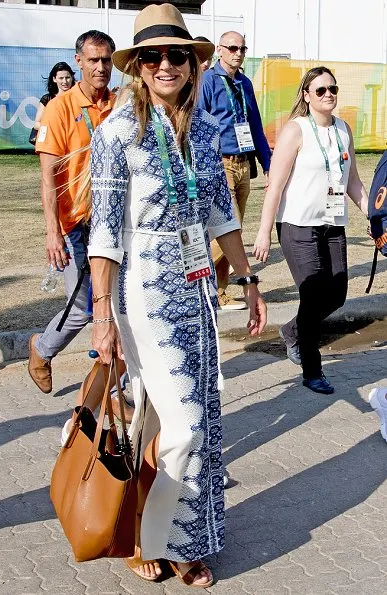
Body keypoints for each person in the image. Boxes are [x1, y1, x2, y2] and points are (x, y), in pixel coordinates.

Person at [87, 3, 267, 587]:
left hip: (196, 291)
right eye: (153, 56)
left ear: (193, 64)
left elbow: (220, 214)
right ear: (137, 67)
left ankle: (172, 536)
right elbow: (106, 231)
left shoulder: (205, 130)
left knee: (181, 415)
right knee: (185, 423)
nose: (166, 65)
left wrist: (247, 279)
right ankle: (159, 538)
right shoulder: (118, 131)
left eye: (178, 55)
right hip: (142, 294)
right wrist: (101, 316)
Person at [253, 66, 368, 394]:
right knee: (314, 292)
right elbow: (274, 185)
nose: (328, 94)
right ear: (306, 95)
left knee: (338, 293)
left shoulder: (344, 129)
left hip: (332, 225)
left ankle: (293, 331)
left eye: (333, 88)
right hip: (297, 224)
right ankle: (311, 368)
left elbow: (354, 183)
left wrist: (376, 217)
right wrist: (263, 232)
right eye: (320, 90)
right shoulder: (296, 130)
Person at [28, 30, 116, 394]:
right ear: (78, 61)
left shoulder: (119, 103)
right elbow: (48, 178)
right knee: (83, 306)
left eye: (107, 60)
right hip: (76, 225)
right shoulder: (59, 108)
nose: (101, 67)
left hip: (113, 224)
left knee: (114, 306)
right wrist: (54, 232)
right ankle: (41, 349)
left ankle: (111, 385)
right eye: (93, 60)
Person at [199, 31, 271, 310]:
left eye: (242, 48)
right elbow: (200, 126)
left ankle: (220, 291)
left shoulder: (245, 83)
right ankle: (191, 269)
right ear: (219, 50)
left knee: (232, 228)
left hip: (244, 164)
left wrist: (268, 164)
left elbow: (255, 126)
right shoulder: (207, 82)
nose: (238, 53)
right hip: (220, 164)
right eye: (232, 48)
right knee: (231, 229)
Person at [32, 62, 76, 133]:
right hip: (52, 140)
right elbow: (36, 124)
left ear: (72, 78)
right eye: (61, 78)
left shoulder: (78, 98)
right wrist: (55, 129)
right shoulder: (47, 99)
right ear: (54, 79)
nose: (65, 81)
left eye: (67, 77)